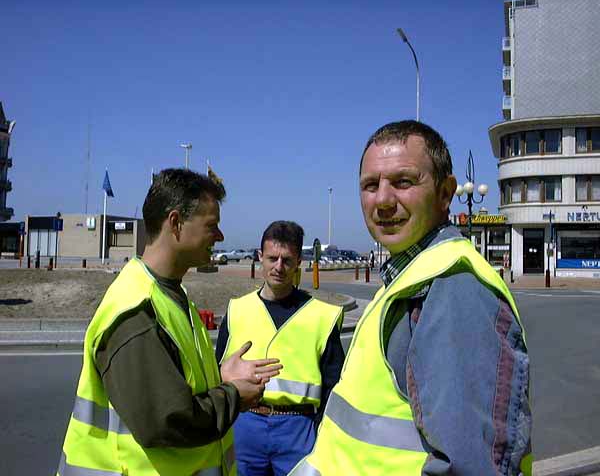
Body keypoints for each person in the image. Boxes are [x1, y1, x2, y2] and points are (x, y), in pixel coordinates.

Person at [290, 121, 532, 476]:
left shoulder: (452, 287)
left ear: (446, 193)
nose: (384, 200)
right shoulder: (407, 278)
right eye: (370, 185)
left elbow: (472, 465)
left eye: (403, 182)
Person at [57, 168, 282, 476]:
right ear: (175, 223)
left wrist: (220, 376)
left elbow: (175, 385)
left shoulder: (174, 297)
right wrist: (233, 396)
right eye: (211, 226)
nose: (220, 236)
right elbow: (167, 421)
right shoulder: (136, 312)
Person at [215, 221, 345, 476]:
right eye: (272, 258)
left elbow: (334, 386)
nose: (279, 267)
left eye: (287, 260)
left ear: (298, 262)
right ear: (260, 258)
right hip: (244, 425)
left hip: (299, 428)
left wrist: (322, 431)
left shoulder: (321, 316)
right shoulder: (237, 310)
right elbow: (214, 370)